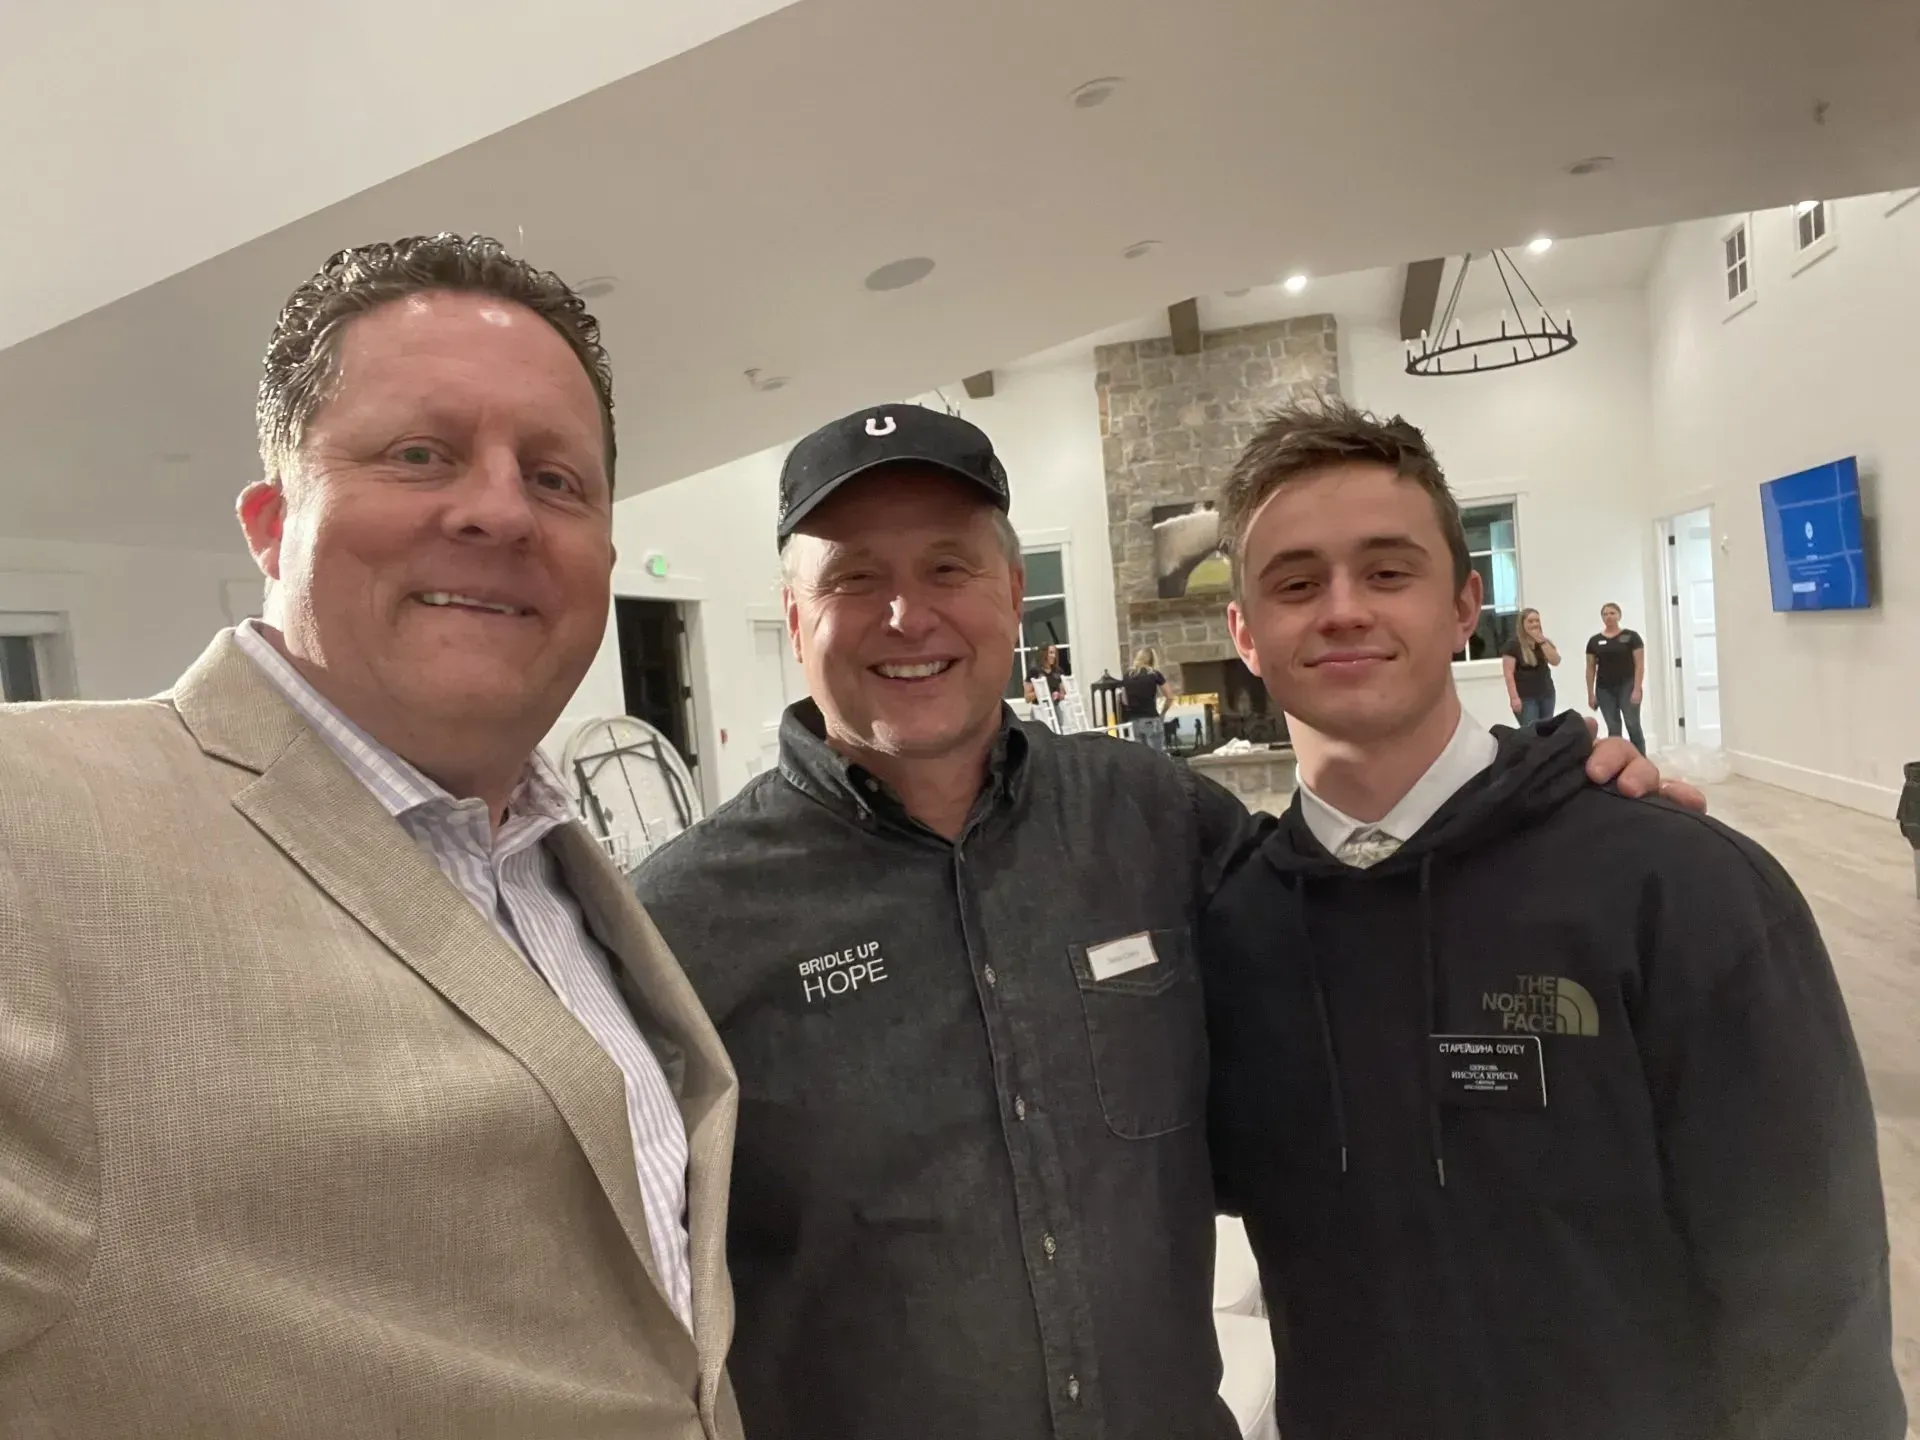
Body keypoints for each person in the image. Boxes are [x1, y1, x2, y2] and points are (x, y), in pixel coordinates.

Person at [630, 402, 1691, 1440]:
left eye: (948, 567)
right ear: (796, 609)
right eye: (854, 577)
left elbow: (1357, 893)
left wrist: (1550, 796)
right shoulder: (683, 923)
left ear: (1010, 593)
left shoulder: (1149, 816)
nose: (908, 615)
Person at [0, 235, 743, 1439]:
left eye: (558, 478)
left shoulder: (563, 870)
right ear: (269, 521)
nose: (500, 508)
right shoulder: (34, 828)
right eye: (420, 453)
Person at [1201, 402, 1904, 1440]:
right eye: (1297, 583)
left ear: (1463, 607)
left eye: (1388, 572)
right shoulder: (1233, 928)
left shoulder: (1676, 886)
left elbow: (1814, 1289)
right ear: (1246, 635)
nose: (1343, 610)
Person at [1586, 601, 1646, 753]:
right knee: (1613, 728)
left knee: (1632, 723)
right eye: (1605, 614)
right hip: (1604, 689)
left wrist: (1637, 689)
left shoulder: (1631, 637)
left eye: (1612, 613)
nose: (1609, 617)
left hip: (1627, 685)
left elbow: (1639, 664)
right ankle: (1617, 763)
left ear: (1619, 615)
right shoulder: (1594, 641)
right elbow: (1590, 668)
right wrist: (1591, 694)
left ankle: (1641, 761)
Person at [1499, 606, 1559, 724]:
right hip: (1525, 698)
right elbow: (1508, 674)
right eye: (1530, 621)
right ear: (1522, 624)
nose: (1534, 624)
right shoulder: (1512, 645)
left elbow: (1555, 661)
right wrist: (1514, 698)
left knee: (1547, 731)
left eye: (1537, 621)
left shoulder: (1543, 642)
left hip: (1547, 694)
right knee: (1531, 733)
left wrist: (1542, 642)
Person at [1122, 645, 1174, 750]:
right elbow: (1170, 696)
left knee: (1140, 757)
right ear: (1153, 660)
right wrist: (1163, 713)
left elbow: (1125, 701)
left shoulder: (1128, 675)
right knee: (1156, 756)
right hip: (1151, 719)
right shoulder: (1154, 674)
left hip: (1134, 721)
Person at [1024, 640, 1067, 705]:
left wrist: (1059, 695)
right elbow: (1027, 698)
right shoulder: (1034, 671)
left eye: (1055, 653)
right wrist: (1041, 691)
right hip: (1041, 709)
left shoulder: (1059, 671)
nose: (1054, 656)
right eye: (1051, 653)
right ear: (1043, 653)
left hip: (1056, 707)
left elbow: (1063, 694)